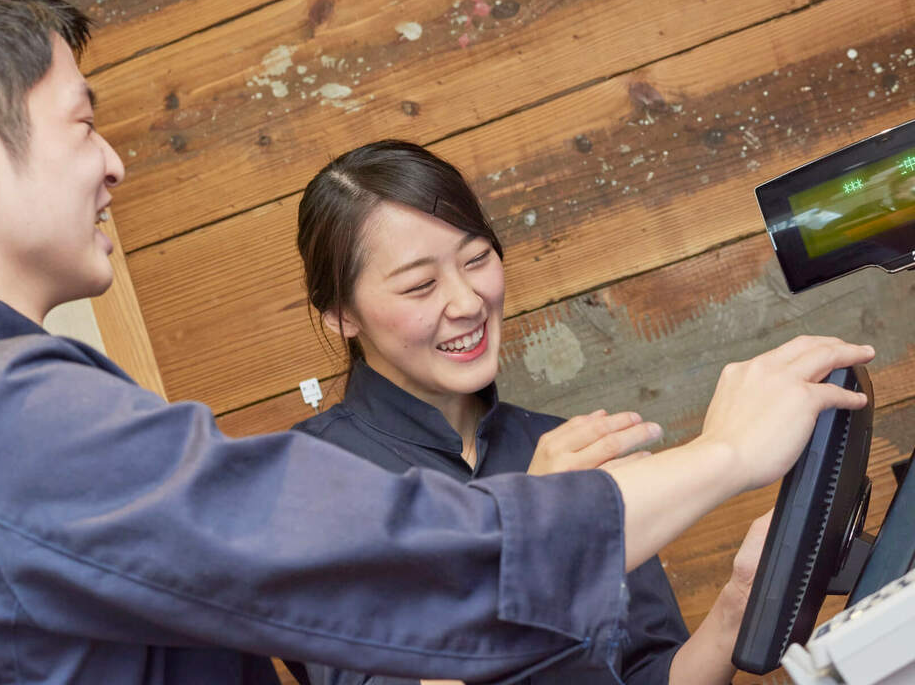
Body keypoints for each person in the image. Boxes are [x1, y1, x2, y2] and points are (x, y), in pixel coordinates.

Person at [0, 0, 873, 683]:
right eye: (81, 125)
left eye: (474, 259)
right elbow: (410, 565)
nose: (111, 164)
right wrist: (724, 455)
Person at [292, 140, 779, 685]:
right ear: (342, 315)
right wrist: (535, 533)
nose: (468, 302)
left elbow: (647, 672)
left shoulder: (569, 450)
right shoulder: (303, 484)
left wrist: (736, 610)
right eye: (420, 285)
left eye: (477, 259)